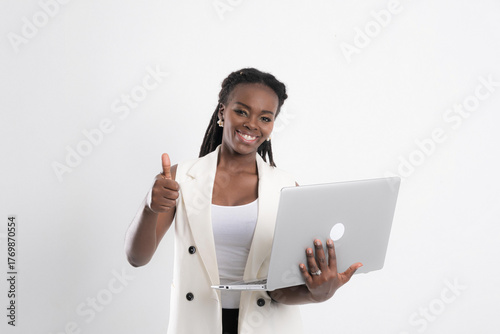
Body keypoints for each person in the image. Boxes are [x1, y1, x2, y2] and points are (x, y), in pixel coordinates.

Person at [124, 68, 362, 334]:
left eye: (265, 117)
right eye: (242, 111)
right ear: (222, 113)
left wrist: (319, 293)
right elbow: (137, 258)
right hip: (195, 323)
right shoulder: (180, 178)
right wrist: (149, 206)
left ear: (271, 127)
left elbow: (280, 291)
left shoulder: (286, 188)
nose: (252, 124)